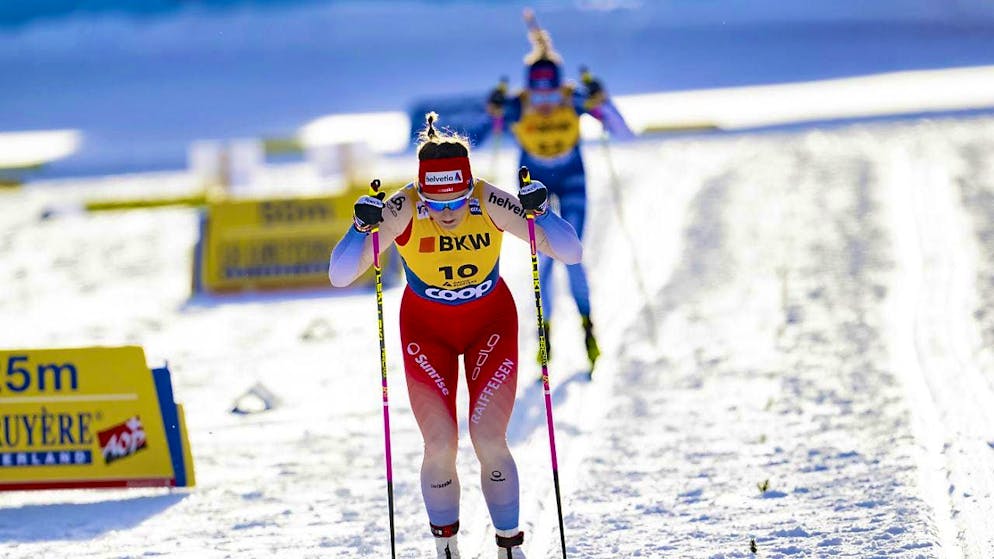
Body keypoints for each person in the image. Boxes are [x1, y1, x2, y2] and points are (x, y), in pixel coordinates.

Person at [328, 112, 582, 559]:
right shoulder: (404, 207)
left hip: (490, 326)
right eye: (436, 203)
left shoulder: (488, 200)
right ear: (421, 192)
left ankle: (509, 546)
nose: (447, 213)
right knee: (440, 443)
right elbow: (340, 274)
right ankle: (446, 546)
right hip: (426, 333)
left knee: (488, 438)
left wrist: (541, 213)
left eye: (457, 201)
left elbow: (570, 251)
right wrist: (361, 227)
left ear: (470, 188)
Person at [485, 10, 631, 370]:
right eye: (538, 93)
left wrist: (603, 100)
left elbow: (622, 130)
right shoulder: (518, 104)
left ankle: (588, 329)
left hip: (572, 183)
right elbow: (489, 129)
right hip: (534, 190)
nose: (546, 102)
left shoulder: (573, 98)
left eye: (551, 91)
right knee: (544, 263)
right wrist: (494, 109)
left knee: (573, 256)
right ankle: (545, 338)